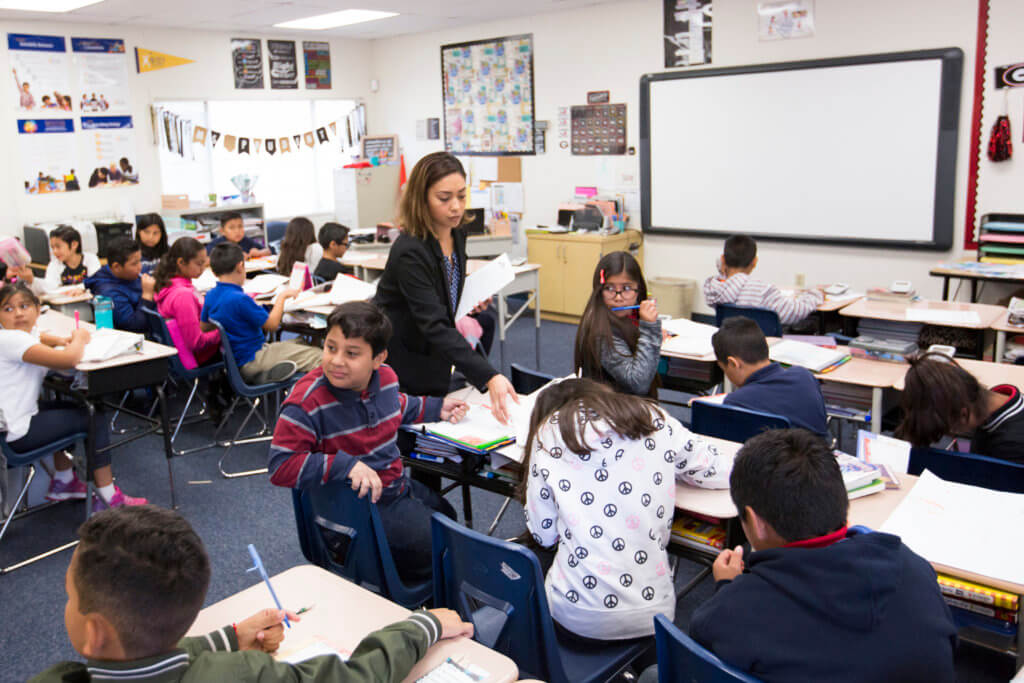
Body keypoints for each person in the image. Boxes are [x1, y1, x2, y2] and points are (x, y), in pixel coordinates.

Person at [32, 505, 474, 683]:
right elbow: (357, 677)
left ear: (94, 632)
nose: (66, 602)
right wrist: (424, 624)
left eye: (70, 595)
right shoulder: (239, 675)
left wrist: (226, 637)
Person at [687, 429, 956, 682]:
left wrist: (726, 588)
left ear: (756, 522)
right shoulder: (914, 568)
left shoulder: (730, 612)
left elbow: (707, 646)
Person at [269, 301, 469, 580]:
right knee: (447, 546)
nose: (337, 360)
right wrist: (345, 465)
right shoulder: (306, 402)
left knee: (448, 516)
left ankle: (409, 578)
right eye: (330, 348)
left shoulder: (385, 378)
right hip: (360, 508)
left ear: (378, 359)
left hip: (395, 488)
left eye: (352, 353)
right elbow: (281, 466)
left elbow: (396, 404)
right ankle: (415, 598)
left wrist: (437, 408)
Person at [524, 378, 728, 646]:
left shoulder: (548, 434)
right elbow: (717, 470)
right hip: (653, 615)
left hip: (573, 615)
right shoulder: (654, 418)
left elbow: (544, 535)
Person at [374, 151, 517, 424]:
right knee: (414, 440)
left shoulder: (457, 233)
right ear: (422, 199)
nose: (456, 207)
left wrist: (466, 299)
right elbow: (434, 324)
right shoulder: (409, 250)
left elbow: (445, 287)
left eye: (462, 196)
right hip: (406, 358)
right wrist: (489, 375)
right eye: (444, 198)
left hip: (435, 355)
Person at [0, 283, 146, 510]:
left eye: (24, 306)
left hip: (10, 426)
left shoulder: (19, 336)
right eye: (8, 309)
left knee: (62, 406)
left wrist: (58, 341)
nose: (18, 313)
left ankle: (64, 480)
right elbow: (69, 360)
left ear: (38, 310)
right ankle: (109, 497)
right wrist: (79, 337)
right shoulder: (12, 340)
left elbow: (40, 336)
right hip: (14, 436)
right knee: (93, 413)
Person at [202, 242, 320, 384]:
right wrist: (282, 297)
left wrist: (230, 321)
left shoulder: (211, 296)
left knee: (300, 342)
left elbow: (204, 327)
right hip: (254, 358)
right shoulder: (240, 299)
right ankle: (267, 375)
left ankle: (269, 374)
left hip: (236, 361)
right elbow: (272, 325)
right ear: (240, 266)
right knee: (319, 356)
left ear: (214, 271)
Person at [711, 316, 829, 437]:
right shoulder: (805, 376)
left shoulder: (737, 403)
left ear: (733, 363)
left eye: (724, 369)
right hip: (819, 453)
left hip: (769, 455)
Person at [896, 352, 1024, 462]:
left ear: (963, 414)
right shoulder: (995, 403)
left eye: (948, 430)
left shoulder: (1012, 445)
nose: (951, 434)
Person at [574, 251, 662, 397]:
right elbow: (638, 383)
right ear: (599, 290)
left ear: (638, 290)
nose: (618, 298)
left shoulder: (630, 317)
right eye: (609, 288)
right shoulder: (601, 331)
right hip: (613, 410)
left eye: (627, 289)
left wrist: (648, 331)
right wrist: (650, 331)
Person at [703, 234, 823, 327]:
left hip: (729, 346)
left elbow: (724, 276)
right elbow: (794, 313)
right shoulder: (762, 290)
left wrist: (723, 265)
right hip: (761, 348)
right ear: (754, 262)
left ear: (722, 259)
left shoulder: (715, 287)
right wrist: (815, 294)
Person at [84, 237, 154, 332]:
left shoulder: (128, 274)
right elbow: (135, 326)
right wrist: (147, 295)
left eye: (140, 261)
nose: (140, 267)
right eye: (134, 264)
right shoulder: (108, 292)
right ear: (116, 267)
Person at [17, 225, 101, 295]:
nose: (54, 251)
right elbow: (50, 289)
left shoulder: (91, 259)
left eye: (58, 247)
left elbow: (96, 282)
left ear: (74, 244)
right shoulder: (54, 265)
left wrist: (82, 288)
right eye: (52, 247)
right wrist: (32, 280)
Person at [206, 212, 270, 258]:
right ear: (222, 231)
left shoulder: (246, 241)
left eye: (240, 226)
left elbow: (269, 251)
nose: (237, 231)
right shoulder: (217, 244)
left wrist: (259, 253)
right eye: (231, 228)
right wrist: (234, 258)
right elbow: (205, 260)